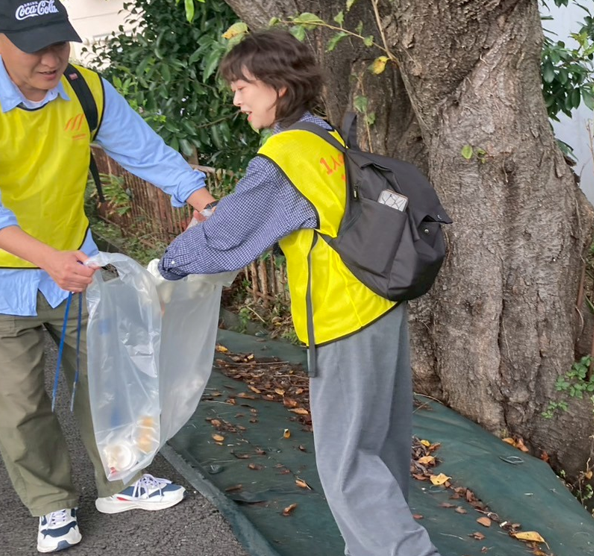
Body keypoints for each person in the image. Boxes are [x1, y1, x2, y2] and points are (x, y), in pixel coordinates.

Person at [0, 0, 217, 553]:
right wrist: (48, 262)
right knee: (20, 406)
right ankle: (50, 505)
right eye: (34, 47)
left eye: (60, 44)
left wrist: (203, 202)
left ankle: (122, 481)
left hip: (76, 263)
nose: (51, 59)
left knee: (110, 380)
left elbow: (143, 150)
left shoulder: (84, 90)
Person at [157, 29, 441, 556]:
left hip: (342, 319)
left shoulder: (282, 156)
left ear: (279, 87)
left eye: (243, 86)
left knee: (347, 462)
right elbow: (279, 218)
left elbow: (227, 239)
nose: (236, 99)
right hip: (378, 304)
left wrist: (165, 266)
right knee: (379, 447)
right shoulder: (321, 135)